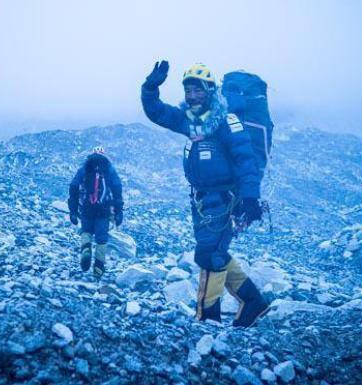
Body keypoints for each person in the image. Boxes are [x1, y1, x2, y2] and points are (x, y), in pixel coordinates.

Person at [141, 61, 273, 327]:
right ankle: (254, 301)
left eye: (198, 90)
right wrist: (150, 88)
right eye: (188, 90)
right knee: (215, 250)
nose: (192, 96)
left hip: (225, 199)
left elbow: (246, 159)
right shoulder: (191, 120)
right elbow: (158, 113)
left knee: (209, 253)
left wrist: (249, 198)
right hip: (201, 199)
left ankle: (207, 317)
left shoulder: (226, 121)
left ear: (211, 91)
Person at [68, 146, 124, 278]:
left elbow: (74, 187)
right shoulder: (109, 169)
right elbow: (117, 187)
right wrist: (118, 211)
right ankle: (99, 267)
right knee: (101, 239)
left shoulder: (85, 168)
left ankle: (86, 248)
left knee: (86, 231)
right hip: (103, 209)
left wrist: (73, 211)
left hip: (87, 207)